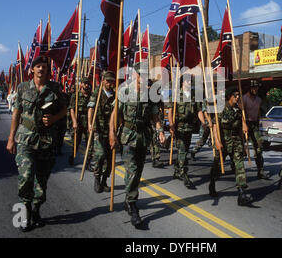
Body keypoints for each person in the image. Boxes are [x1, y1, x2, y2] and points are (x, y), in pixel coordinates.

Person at [6, 55, 68, 232]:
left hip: (46, 140)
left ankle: (36, 210)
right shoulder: (23, 87)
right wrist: (11, 139)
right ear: (32, 69)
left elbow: (64, 109)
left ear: (48, 70)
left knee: (42, 180)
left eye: (44, 67)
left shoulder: (55, 88)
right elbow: (16, 113)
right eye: (38, 66)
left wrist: (54, 117)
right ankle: (24, 211)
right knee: (26, 177)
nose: (41, 69)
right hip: (25, 139)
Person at [109, 62, 165, 228]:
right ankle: (133, 206)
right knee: (132, 171)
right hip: (127, 136)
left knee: (136, 172)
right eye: (140, 75)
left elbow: (155, 118)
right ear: (134, 75)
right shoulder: (124, 91)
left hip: (142, 137)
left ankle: (127, 199)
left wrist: (160, 131)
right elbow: (115, 114)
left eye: (146, 76)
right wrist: (112, 134)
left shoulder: (150, 95)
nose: (143, 79)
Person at [210, 87, 252, 206]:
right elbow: (214, 126)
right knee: (217, 167)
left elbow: (239, 129)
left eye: (239, 95)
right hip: (223, 141)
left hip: (236, 142)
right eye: (235, 95)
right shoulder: (221, 109)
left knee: (239, 166)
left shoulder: (239, 111)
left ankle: (241, 193)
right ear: (229, 96)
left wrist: (243, 144)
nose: (238, 97)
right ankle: (212, 183)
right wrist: (217, 141)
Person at [165, 75, 205, 189]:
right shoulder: (176, 95)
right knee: (182, 149)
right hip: (179, 126)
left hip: (189, 127)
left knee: (185, 149)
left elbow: (198, 110)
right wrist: (171, 125)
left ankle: (177, 170)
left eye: (190, 80)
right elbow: (170, 111)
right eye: (187, 80)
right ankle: (184, 172)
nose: (189, 82)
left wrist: (203, 122)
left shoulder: (194, 95)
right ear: (182, 82)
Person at [87, 71, 116, 193]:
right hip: (98, 128)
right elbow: (91, 108)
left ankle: (104, 181)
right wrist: (90, 123)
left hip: (110, 130)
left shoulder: (114, 95)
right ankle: (97, 178)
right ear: (103, 80)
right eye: (107, 81)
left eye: (111, 81)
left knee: (109, 158)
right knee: (100, 155)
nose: (109, 83)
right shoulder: (97, 93)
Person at [242, 80, 270, 179]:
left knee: (259, 147)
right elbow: (240, 114)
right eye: (254, 88)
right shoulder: (243, 99)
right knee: (238, 149)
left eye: (257, 88)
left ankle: (260, 170)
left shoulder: (259, 99)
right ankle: (236, 169)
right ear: (249, 88)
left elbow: (258, 113)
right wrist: (244, 124)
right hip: (244, 124)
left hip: (254, 126)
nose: (255, 89)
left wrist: (258, 124)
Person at [68, 77, 93, 168]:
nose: (86, 85)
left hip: (87, 119)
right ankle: (72, 156)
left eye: (87, 83)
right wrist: (74, 122)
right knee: (76, 141)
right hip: (78, 119)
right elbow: (71, 109)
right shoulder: (76, 95)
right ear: (81, 84)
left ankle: (88, 162)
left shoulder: (91, 95)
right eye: (84, 83)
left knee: (89, 142)